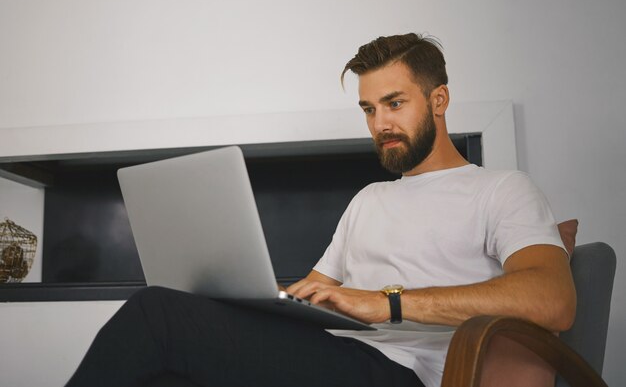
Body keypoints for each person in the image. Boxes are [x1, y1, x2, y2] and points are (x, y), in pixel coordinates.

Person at [65, 33, 576, 387]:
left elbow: (553, 298)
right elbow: (317, 292)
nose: (380, 124)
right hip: (340, 357)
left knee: (157, 313)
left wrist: (388, 302)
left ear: (438, 100)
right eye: (369, 109)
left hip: (407, 375)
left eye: (395, 103)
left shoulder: (501, 189)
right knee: (170, 371)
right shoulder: (369, 199)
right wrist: (259, 299)